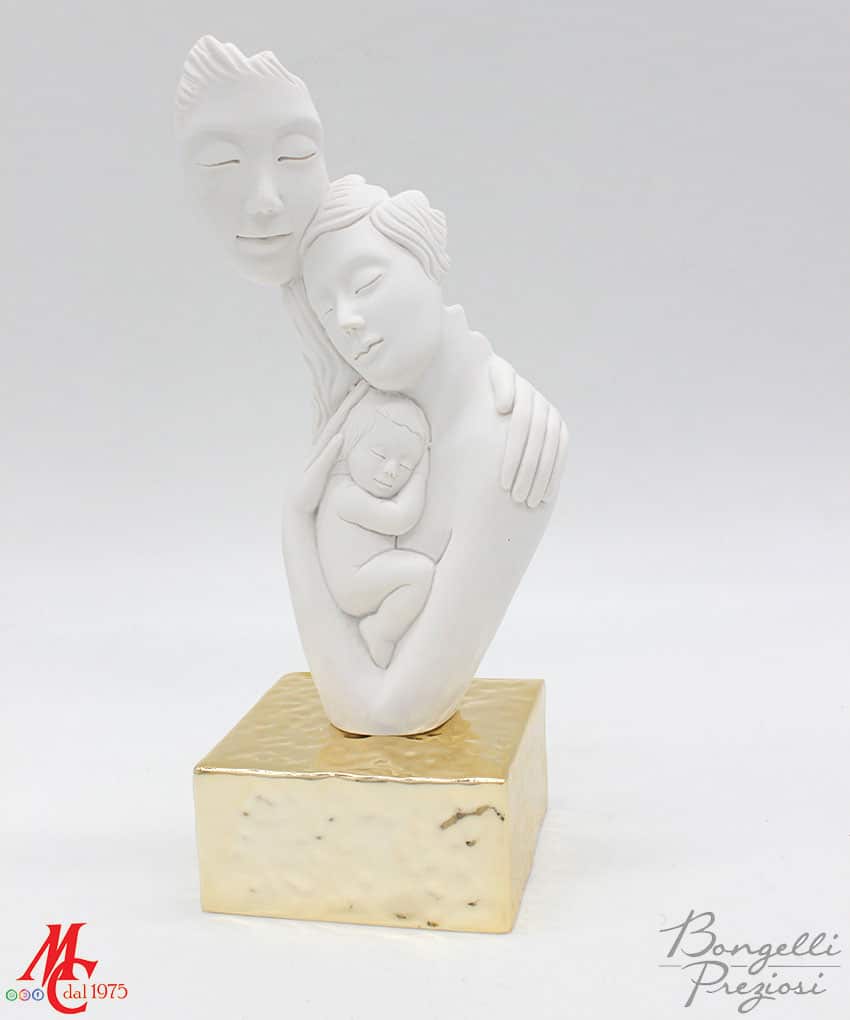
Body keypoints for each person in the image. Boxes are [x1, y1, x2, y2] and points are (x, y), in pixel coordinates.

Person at [174, 35, 565, 506]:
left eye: (295, 154)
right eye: (221, 161)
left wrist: (496, 395)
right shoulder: (324, 320)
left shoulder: (360, 233)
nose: (265, 200)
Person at [285, 176, 566, 734]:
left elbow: (380, 710)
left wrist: (295, 522)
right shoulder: (362, 409)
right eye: (327, 309)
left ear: (429, 264)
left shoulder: (501, 445)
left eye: (366, 282)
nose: (346, 320)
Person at [316, 392, 434, 668]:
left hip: (365, 577)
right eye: (380, 454)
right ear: (351, 445)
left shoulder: (350, 491)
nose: (391, 470)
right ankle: (380, 630)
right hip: (354, 585)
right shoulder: (345, 496)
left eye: (406, 465)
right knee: (421, 572)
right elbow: (402, 518)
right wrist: (420, 473)